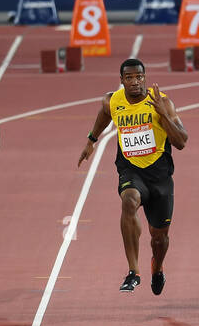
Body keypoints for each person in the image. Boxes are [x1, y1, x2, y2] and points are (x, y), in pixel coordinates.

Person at [78, 59, 188, 295]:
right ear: (121, 81)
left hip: (159, 175)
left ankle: (157, 268)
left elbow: (181, 142)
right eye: (129, 77)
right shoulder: (112, 100)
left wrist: (163, 115)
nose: (135, 81)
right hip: (131, 170)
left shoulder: (162, 102)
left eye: (139, 77)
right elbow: (104, 114)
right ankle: (133, 272)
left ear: (145, 79)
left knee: (159, 239)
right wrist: (91, 140)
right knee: (128, 201)